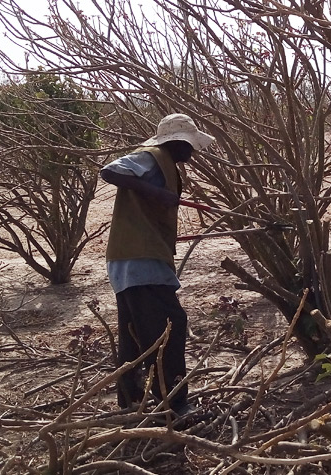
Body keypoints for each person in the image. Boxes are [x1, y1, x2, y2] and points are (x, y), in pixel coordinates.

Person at [100, 113, 215, 414]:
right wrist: (157, 193)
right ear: (177, 142)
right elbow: (110, 172)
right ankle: (175, 405)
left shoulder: (166, 164)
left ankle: (132, 402)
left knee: (135, 335)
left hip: (129, 260)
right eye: (189, 144)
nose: (192, 151)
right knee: (169, 328)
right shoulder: (152, 156)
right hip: (142, 261)